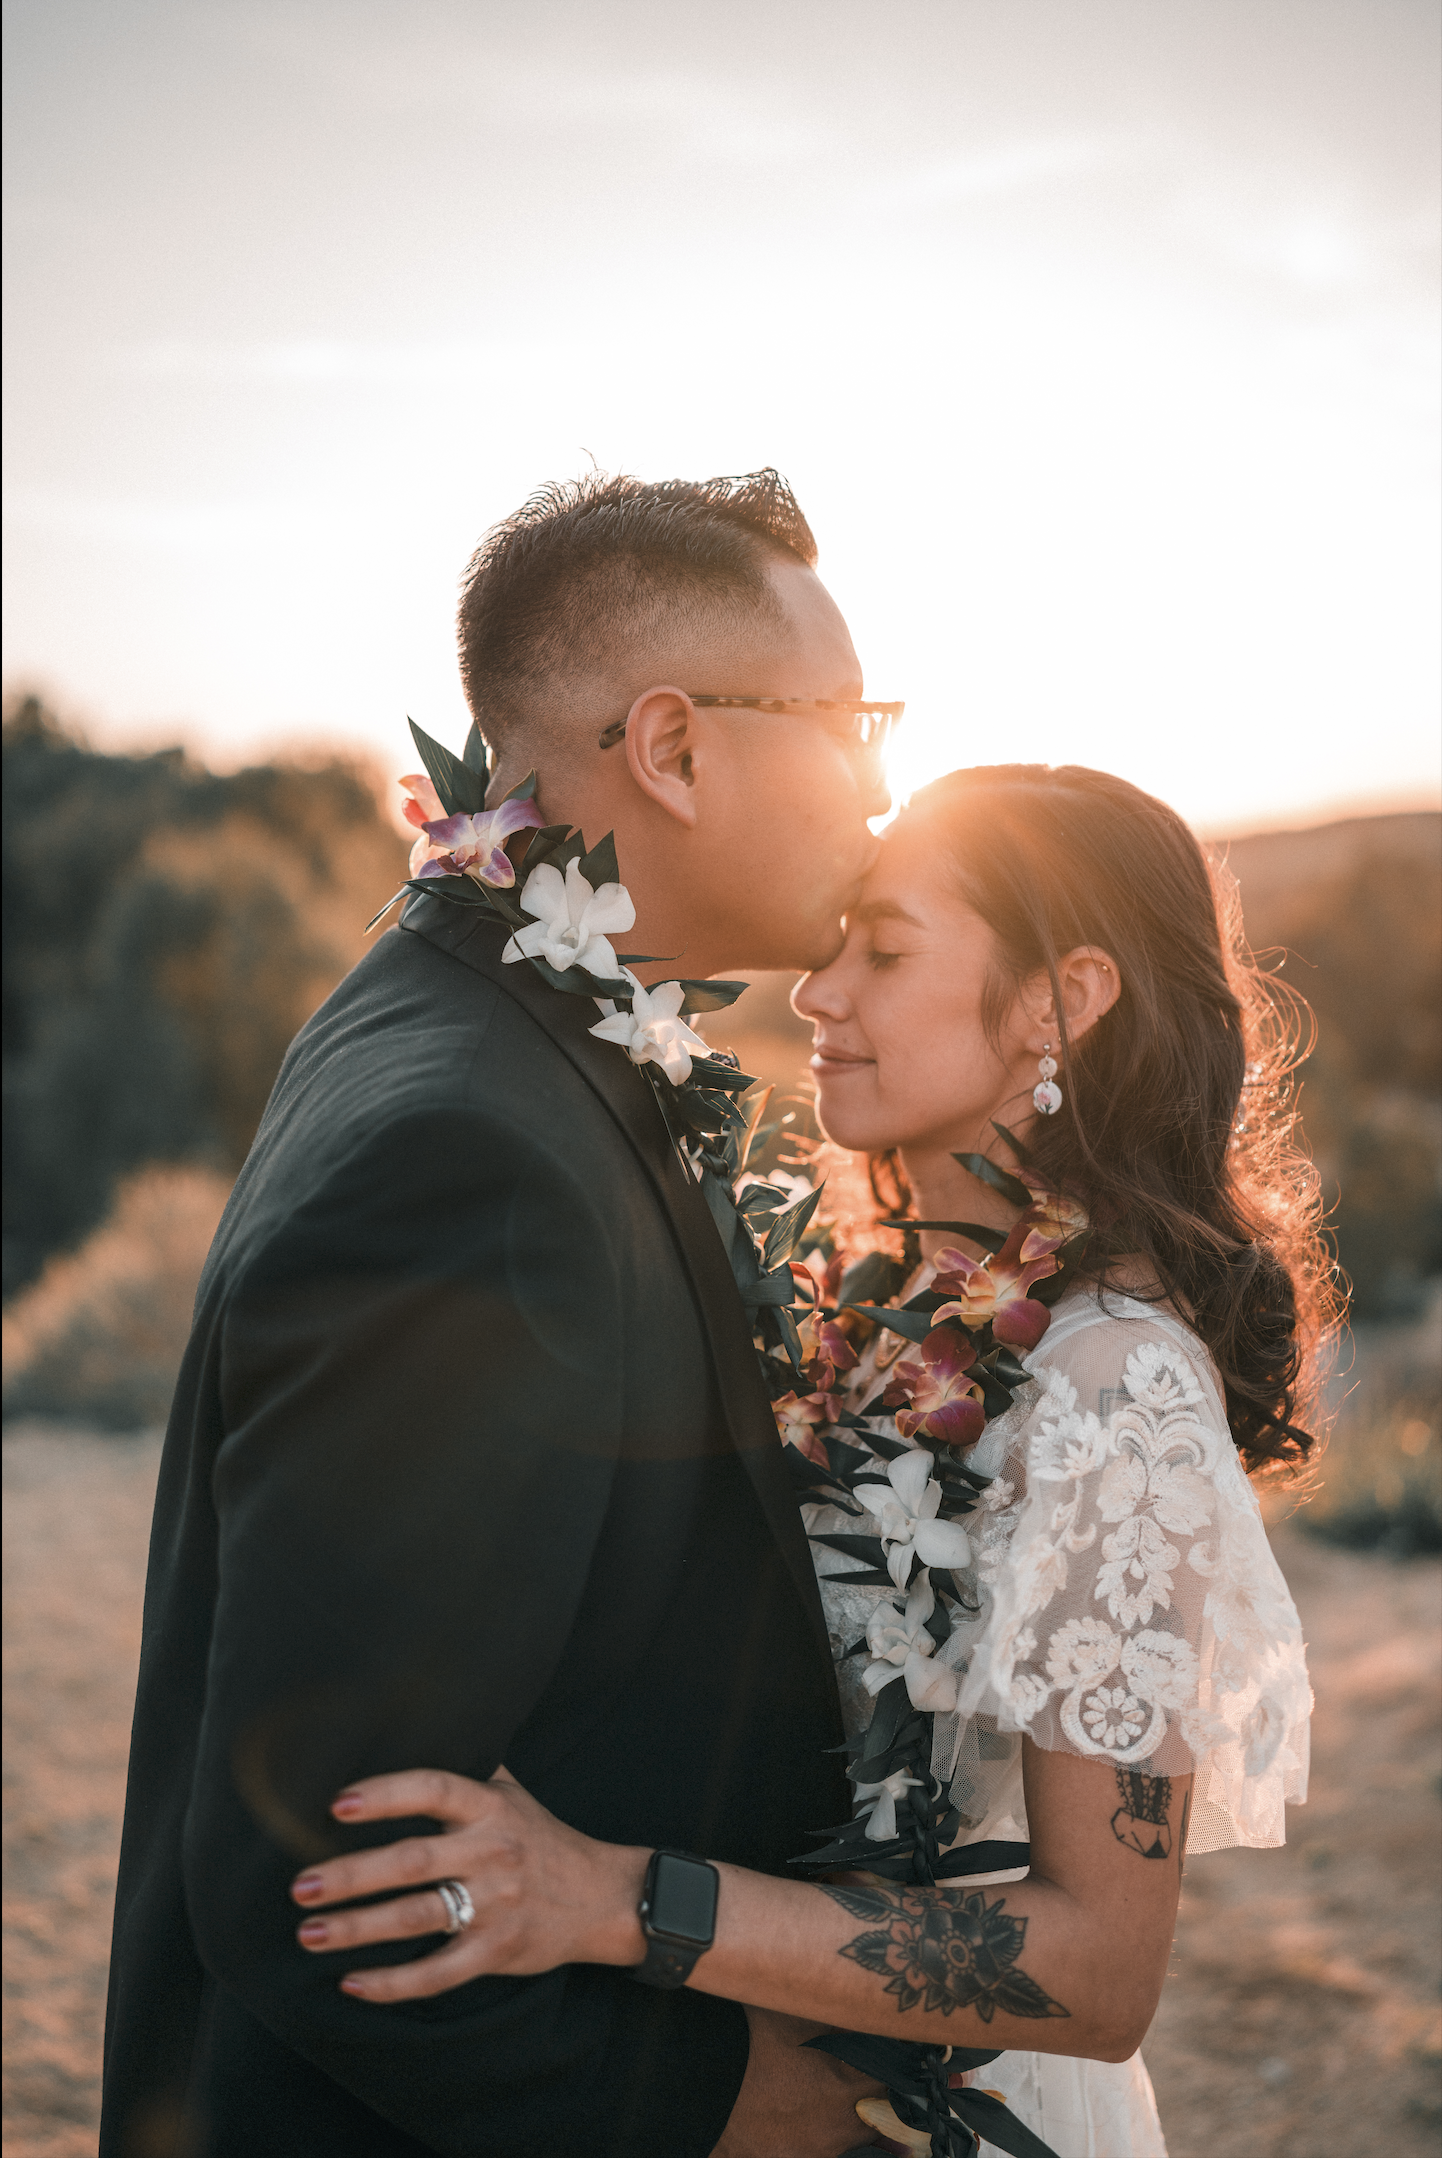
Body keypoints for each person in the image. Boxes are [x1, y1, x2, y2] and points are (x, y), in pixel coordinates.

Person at [281, 765, 1327, 2158]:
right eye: (835, 941)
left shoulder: (1109, 1382)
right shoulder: (879, 1297)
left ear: (1061, 1001)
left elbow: (1095, 1968)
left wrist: (610, 1897)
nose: (814, 992)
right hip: (718, 2063)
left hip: (926, 2110)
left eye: (883, 951)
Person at [100, 469, 898, 2158]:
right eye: (852, 718)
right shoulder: (473, 1155)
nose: (884, 780)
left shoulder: (477, 1014)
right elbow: (328, 1863)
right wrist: (721, 2096)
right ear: (673, 747)